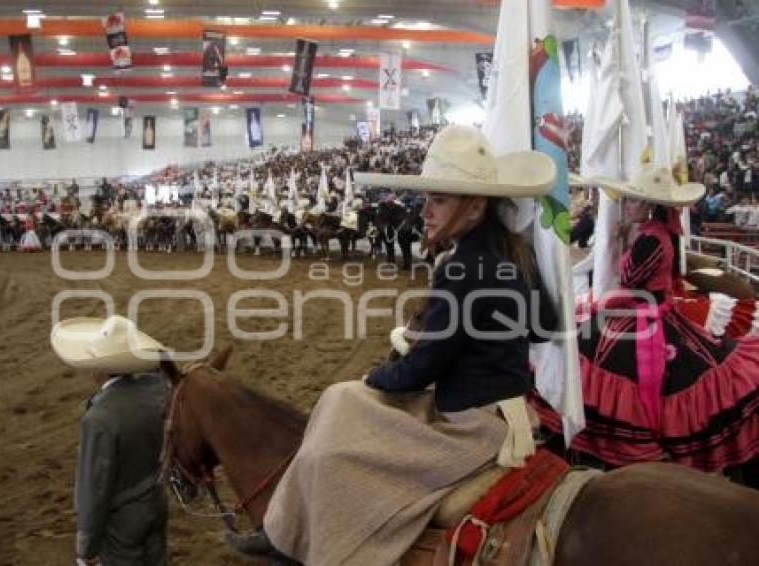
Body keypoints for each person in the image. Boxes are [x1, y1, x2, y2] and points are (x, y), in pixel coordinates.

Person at [226, 125, 558, 564]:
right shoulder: (515, 252)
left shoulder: (461, 268)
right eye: (428, 199)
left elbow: (421, 371)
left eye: (439, 200)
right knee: (340, 402)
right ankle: (284, 529)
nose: (425, 212)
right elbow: (544, 328)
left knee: (336, 439)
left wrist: (376, 374)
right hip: (505, 409)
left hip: (472, 423)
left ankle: (295, 536)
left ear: (476, 208)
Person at [535, 164, 759, 474]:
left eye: (633, 201)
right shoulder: (658, 232)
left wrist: (621, 242)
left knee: (598, 360)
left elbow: (629, 277)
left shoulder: (650, 239)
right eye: (627, 201)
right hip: (645, 309)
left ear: (650, 205)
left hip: (642, 316)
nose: (626, 206)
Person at [50, 315, 172, 566]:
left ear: (99, 368)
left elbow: (94, 489)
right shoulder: (158, 392)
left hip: (122, 522)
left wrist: (87, 548)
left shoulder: (100, 418)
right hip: (156, 503)